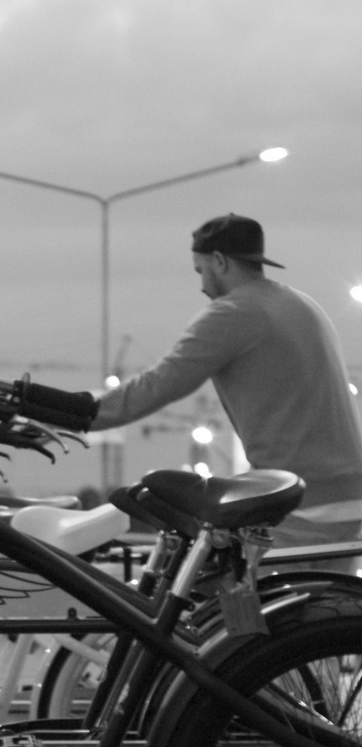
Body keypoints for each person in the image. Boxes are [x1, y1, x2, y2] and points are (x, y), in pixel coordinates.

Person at [92, 213, 362, 549]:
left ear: (219, 261)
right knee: (320, 586)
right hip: (351, 496)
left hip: (300, 501)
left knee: (216, 574)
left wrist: (74, 413)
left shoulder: (235, 311)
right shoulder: (302, 304)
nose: (201, 285)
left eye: (200, 270)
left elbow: (158, 384)